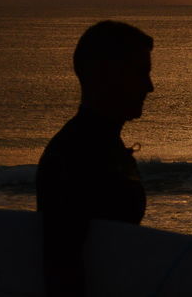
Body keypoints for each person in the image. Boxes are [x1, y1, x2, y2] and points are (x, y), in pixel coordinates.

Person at [36, 20, 155, 297]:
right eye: (140, 73)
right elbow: (61, 263)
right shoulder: (77, 152)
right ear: (106, 75)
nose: (150, 87)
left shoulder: (105, 145)